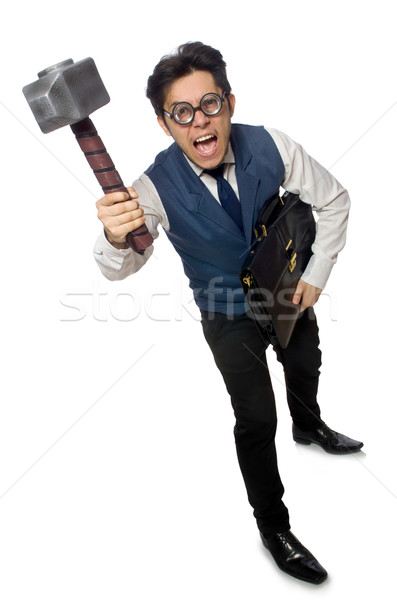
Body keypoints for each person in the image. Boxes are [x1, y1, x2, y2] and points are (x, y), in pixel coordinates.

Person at [93, 42, 363, 584]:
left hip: (287, 288)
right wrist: (113, 234)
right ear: (165, 124)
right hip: (225, 313)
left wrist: (314, 277)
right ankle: (274, 527)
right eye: (182, 112)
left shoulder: (273, 146)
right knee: (257, 417)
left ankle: (308, 428)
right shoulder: (150, 190)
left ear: (230, 103)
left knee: (305, 362)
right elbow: (117, 267)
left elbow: (335, 200)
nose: (199, 121)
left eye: (209, 103)